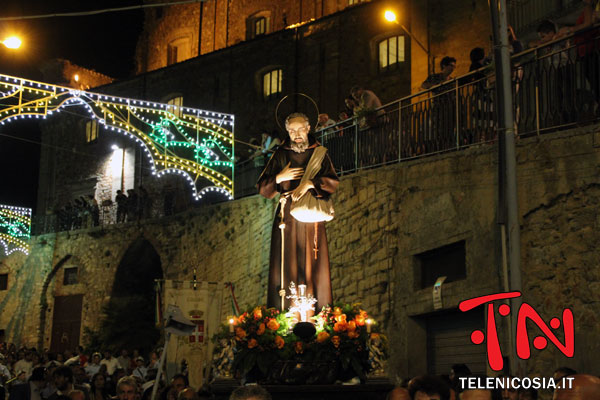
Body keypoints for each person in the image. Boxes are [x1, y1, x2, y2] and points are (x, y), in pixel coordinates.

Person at [257, 112, 339, 310]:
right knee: (286, 260)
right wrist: (279, 177)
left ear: (308, 128)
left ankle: (316, 310)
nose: (297, 134)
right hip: (287, 217)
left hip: (311, 215)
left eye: (300, 129)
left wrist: (310, 184)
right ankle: (286, 309)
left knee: (313, 260)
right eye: (292, 131)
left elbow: (332, 182)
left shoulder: (318, 152)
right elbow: (263, 187)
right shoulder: (281, 153)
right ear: (287, 132)